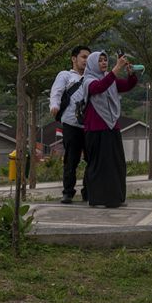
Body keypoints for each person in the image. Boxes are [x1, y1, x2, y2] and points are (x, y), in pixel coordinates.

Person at [81, 51, 139, 208]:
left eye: (105, 60)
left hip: (111, 127)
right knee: (99, 165)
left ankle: (115, 198)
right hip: (95, 130)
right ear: (92, 63)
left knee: (115, 164)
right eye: (99, 61)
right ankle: (97, 198)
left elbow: (127, 86)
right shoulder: (88, 81)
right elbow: (99, 88)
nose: (103, 63)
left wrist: (131, 75)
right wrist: (116, 69)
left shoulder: (110, 79)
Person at [49, 45, 91, 204]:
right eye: (84, 57)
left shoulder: (92, 77)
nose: (86, 60)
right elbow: (56, 91)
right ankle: (68, 192)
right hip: (71, 124)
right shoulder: (65, 75)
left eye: (88, 57)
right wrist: (54, 105)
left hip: (89, 124)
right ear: (74, 59)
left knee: (91, 159)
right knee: (71, 160)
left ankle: (89, 191)